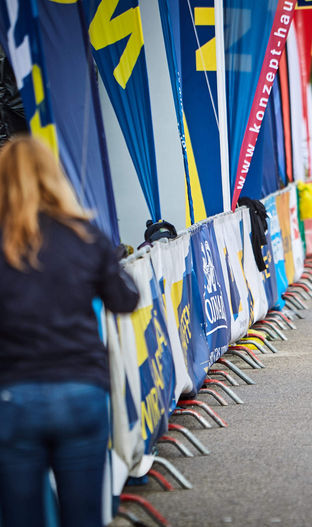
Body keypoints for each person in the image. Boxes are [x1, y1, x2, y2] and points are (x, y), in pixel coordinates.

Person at [0, 135, 140, 527]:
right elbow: (125, 300)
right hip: (81, 389)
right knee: (83, 517)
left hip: (13, 393)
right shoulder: (85, 236)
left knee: (19, 516)